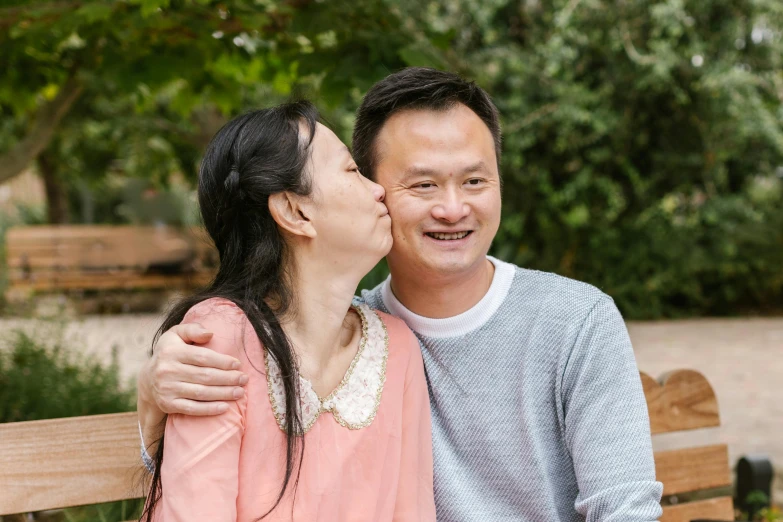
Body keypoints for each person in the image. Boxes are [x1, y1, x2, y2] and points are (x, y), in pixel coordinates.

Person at [138, 68, 663, 521]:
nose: (453, 208)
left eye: (476, 181)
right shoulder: (324, 333)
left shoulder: (572, 322)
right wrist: (152, 394)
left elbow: (625, 507)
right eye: (423, 185)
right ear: (377, 191)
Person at [139, 101, 435, 522]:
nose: (378, 190)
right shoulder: (220, 336)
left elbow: (414, 510)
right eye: (352, 171)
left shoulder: (398, 344)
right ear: (295, 211)